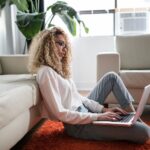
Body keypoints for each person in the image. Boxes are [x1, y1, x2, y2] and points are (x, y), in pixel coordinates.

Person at [28, 27, 150, 144]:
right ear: (48, 44)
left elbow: (78, 97)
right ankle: (133, 122)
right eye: (60, 43)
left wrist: (103, 110)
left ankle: (132, 117)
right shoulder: (45, 73)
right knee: (144, 132)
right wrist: (98, 117)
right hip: (78, 126)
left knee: (111, 77)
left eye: (65, 45)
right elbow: (60, 113)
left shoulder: (57, 69)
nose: (64, 50)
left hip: (85, 112)